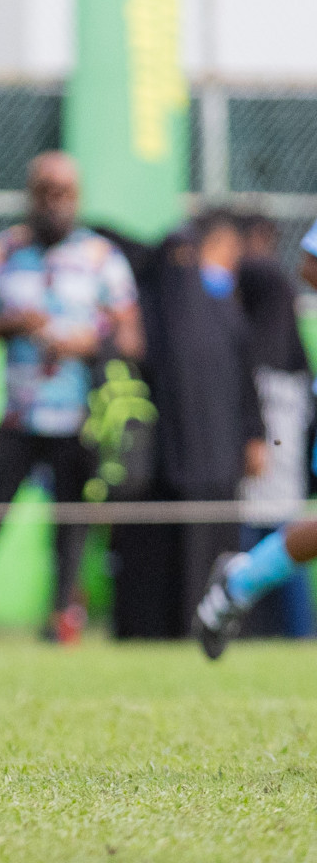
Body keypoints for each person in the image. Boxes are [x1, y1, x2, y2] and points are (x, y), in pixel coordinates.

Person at [0, 152, 143, 643]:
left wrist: (85, 343)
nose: (55, 201)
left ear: (78, 197)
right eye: (45, 191)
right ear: (30, 194)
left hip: (77, 418)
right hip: (18, 416)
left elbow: (132, 338)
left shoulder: (101, 257)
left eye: (64, 192)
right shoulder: (0, 253)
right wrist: (14, 323)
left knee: (69, 531)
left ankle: (59, 625)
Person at [112, 211, 265, 639]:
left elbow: (245, 380)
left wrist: (253, 436)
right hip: (164, 458)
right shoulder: (158, 306)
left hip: (218, 458)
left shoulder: (224, 313)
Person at [194, 213, 317, 658]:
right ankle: (240, 584)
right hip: (280, 402)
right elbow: (310, 263)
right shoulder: (260, 276)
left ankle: (240, 583)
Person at [234, 214, 313, 638]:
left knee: (276, 521)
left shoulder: (259, 277)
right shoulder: (274, 289)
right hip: (286, 421)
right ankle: (241, 598)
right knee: (283, 524)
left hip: (280, 417)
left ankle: (239, 596)